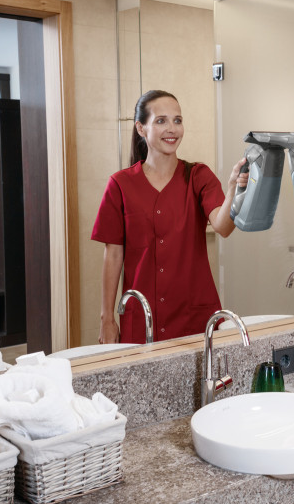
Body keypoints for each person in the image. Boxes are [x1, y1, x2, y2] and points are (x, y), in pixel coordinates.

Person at [91, 90, 247, 344]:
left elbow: (223, 227)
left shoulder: (198, 176)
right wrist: (106, 318)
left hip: (193, 316)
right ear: (141, 128)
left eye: (177, 120)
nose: (172, 129)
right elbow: (114, 255)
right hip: (142, 317)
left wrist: (232, 190)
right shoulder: (120, 185)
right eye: (161, 121)